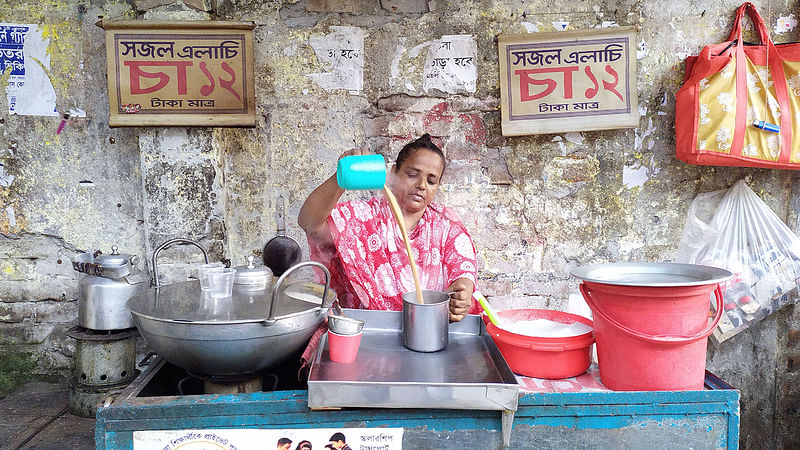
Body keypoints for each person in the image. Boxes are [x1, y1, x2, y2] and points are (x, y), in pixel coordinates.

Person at [299, 133, 480, 321]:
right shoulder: (364, 218)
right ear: (393, 172)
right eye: (412, 175)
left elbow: (462, 271)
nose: (421, 185)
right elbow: (310, 223)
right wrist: (341, 177)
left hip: (428, 330)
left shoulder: (446, 227)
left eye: (431, 181)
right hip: (368, 330)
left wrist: (462, 293)